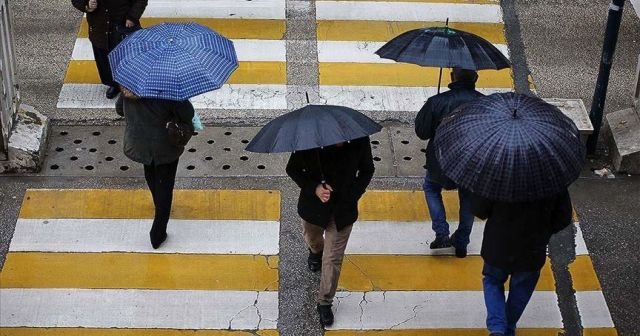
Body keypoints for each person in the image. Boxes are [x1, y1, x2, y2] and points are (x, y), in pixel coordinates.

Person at [286, 137, 375, 327]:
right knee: (312, 239)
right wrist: (315, 188)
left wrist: (352, 195)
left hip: (343, 211)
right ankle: (315, 252)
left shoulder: (360, 140)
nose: (341, 143)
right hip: (314, 208)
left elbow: (367, 170)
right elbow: (292, 169)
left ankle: (324, 301)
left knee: (333, 258)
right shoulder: (309, 142)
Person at [471, 190, 573, 336]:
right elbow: (563, 217)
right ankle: (508, 327)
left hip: (498, 245)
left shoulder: (499, 176)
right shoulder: (552, 181)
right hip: (532, 249)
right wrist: (544, 232)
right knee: (521, 289)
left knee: (492, 281)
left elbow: (480, 210)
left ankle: (497, 327)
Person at [414, 68, 484, 258]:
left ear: (452, 77)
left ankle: (441, 233)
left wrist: (432, 107)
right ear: (476, 78)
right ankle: (461, 242)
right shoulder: (485, 103)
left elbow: (422, 132)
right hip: (471, 161)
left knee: (431, 188)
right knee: (468, 199)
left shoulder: (438, 101)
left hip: (440, 159)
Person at [116, 87, 194, 249]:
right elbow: (188, 114)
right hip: (164, 145)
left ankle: (159, 203)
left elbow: (119, 109)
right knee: (165, 185)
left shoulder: (129, 87)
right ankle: (158, 231)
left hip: (139, 143)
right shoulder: (169, 90)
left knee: (150, 174)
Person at [71, 0, 148, 99]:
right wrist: (87, 5)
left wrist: (132, 17)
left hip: (123, 26)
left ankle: (130, 84)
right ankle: (114, 85)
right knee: (104, 60)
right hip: (99, 29)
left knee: (128, 59)